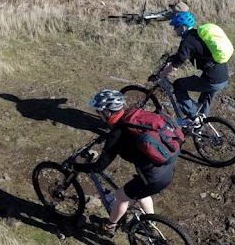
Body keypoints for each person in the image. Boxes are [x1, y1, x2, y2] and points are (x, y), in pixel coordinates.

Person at [72, 89, 177, 236]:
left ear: (108, 112)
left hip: (154, 177)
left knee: (121, 195)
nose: (97, 114)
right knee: (141, 192)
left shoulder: (116, 135)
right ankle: (150, 224)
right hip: (168, 167)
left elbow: (98, 167)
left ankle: (109, 226)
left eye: (99, 111)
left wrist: (75, 166)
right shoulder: (132, 115)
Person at [152, 11, 229, 128]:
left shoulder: (187, 41)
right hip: (223, 76)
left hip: (212, 79)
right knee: (203, 102)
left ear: (183, 28)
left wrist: (161, 75)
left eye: (175, 27)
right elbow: (183, 55)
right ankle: (200, 127)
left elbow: (176, 65)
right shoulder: (196, 35)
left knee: (178, 85)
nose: (174, 30)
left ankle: (191, 118)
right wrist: (173, 59)